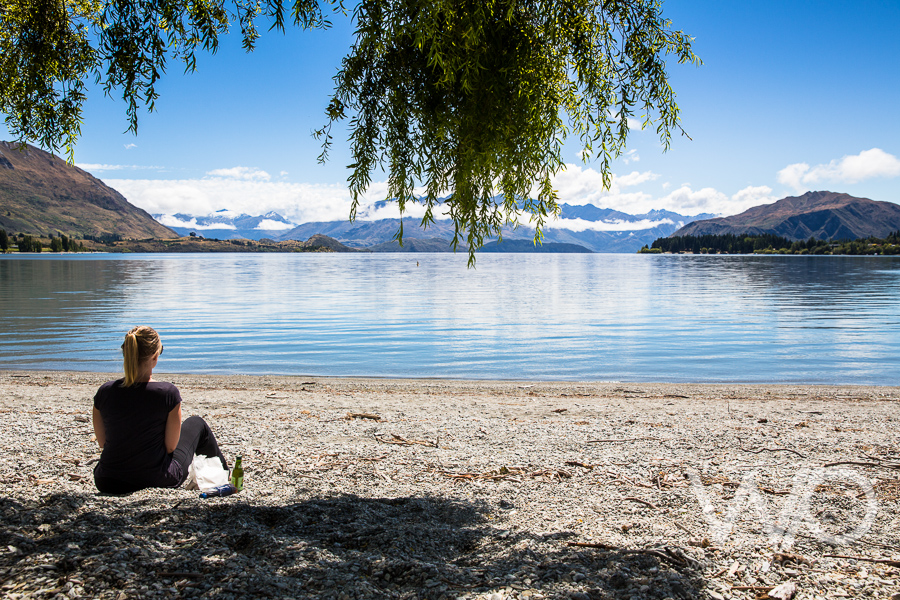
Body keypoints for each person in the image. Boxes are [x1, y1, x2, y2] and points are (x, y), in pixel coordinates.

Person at [92, 326, 228, 494]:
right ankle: (224, 476)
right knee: (197, 423)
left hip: (108, 480)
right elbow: (170, 447)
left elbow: (103, 443)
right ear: (155, 357)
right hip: (158, 478)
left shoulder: (104, 392)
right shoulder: (167, 393)